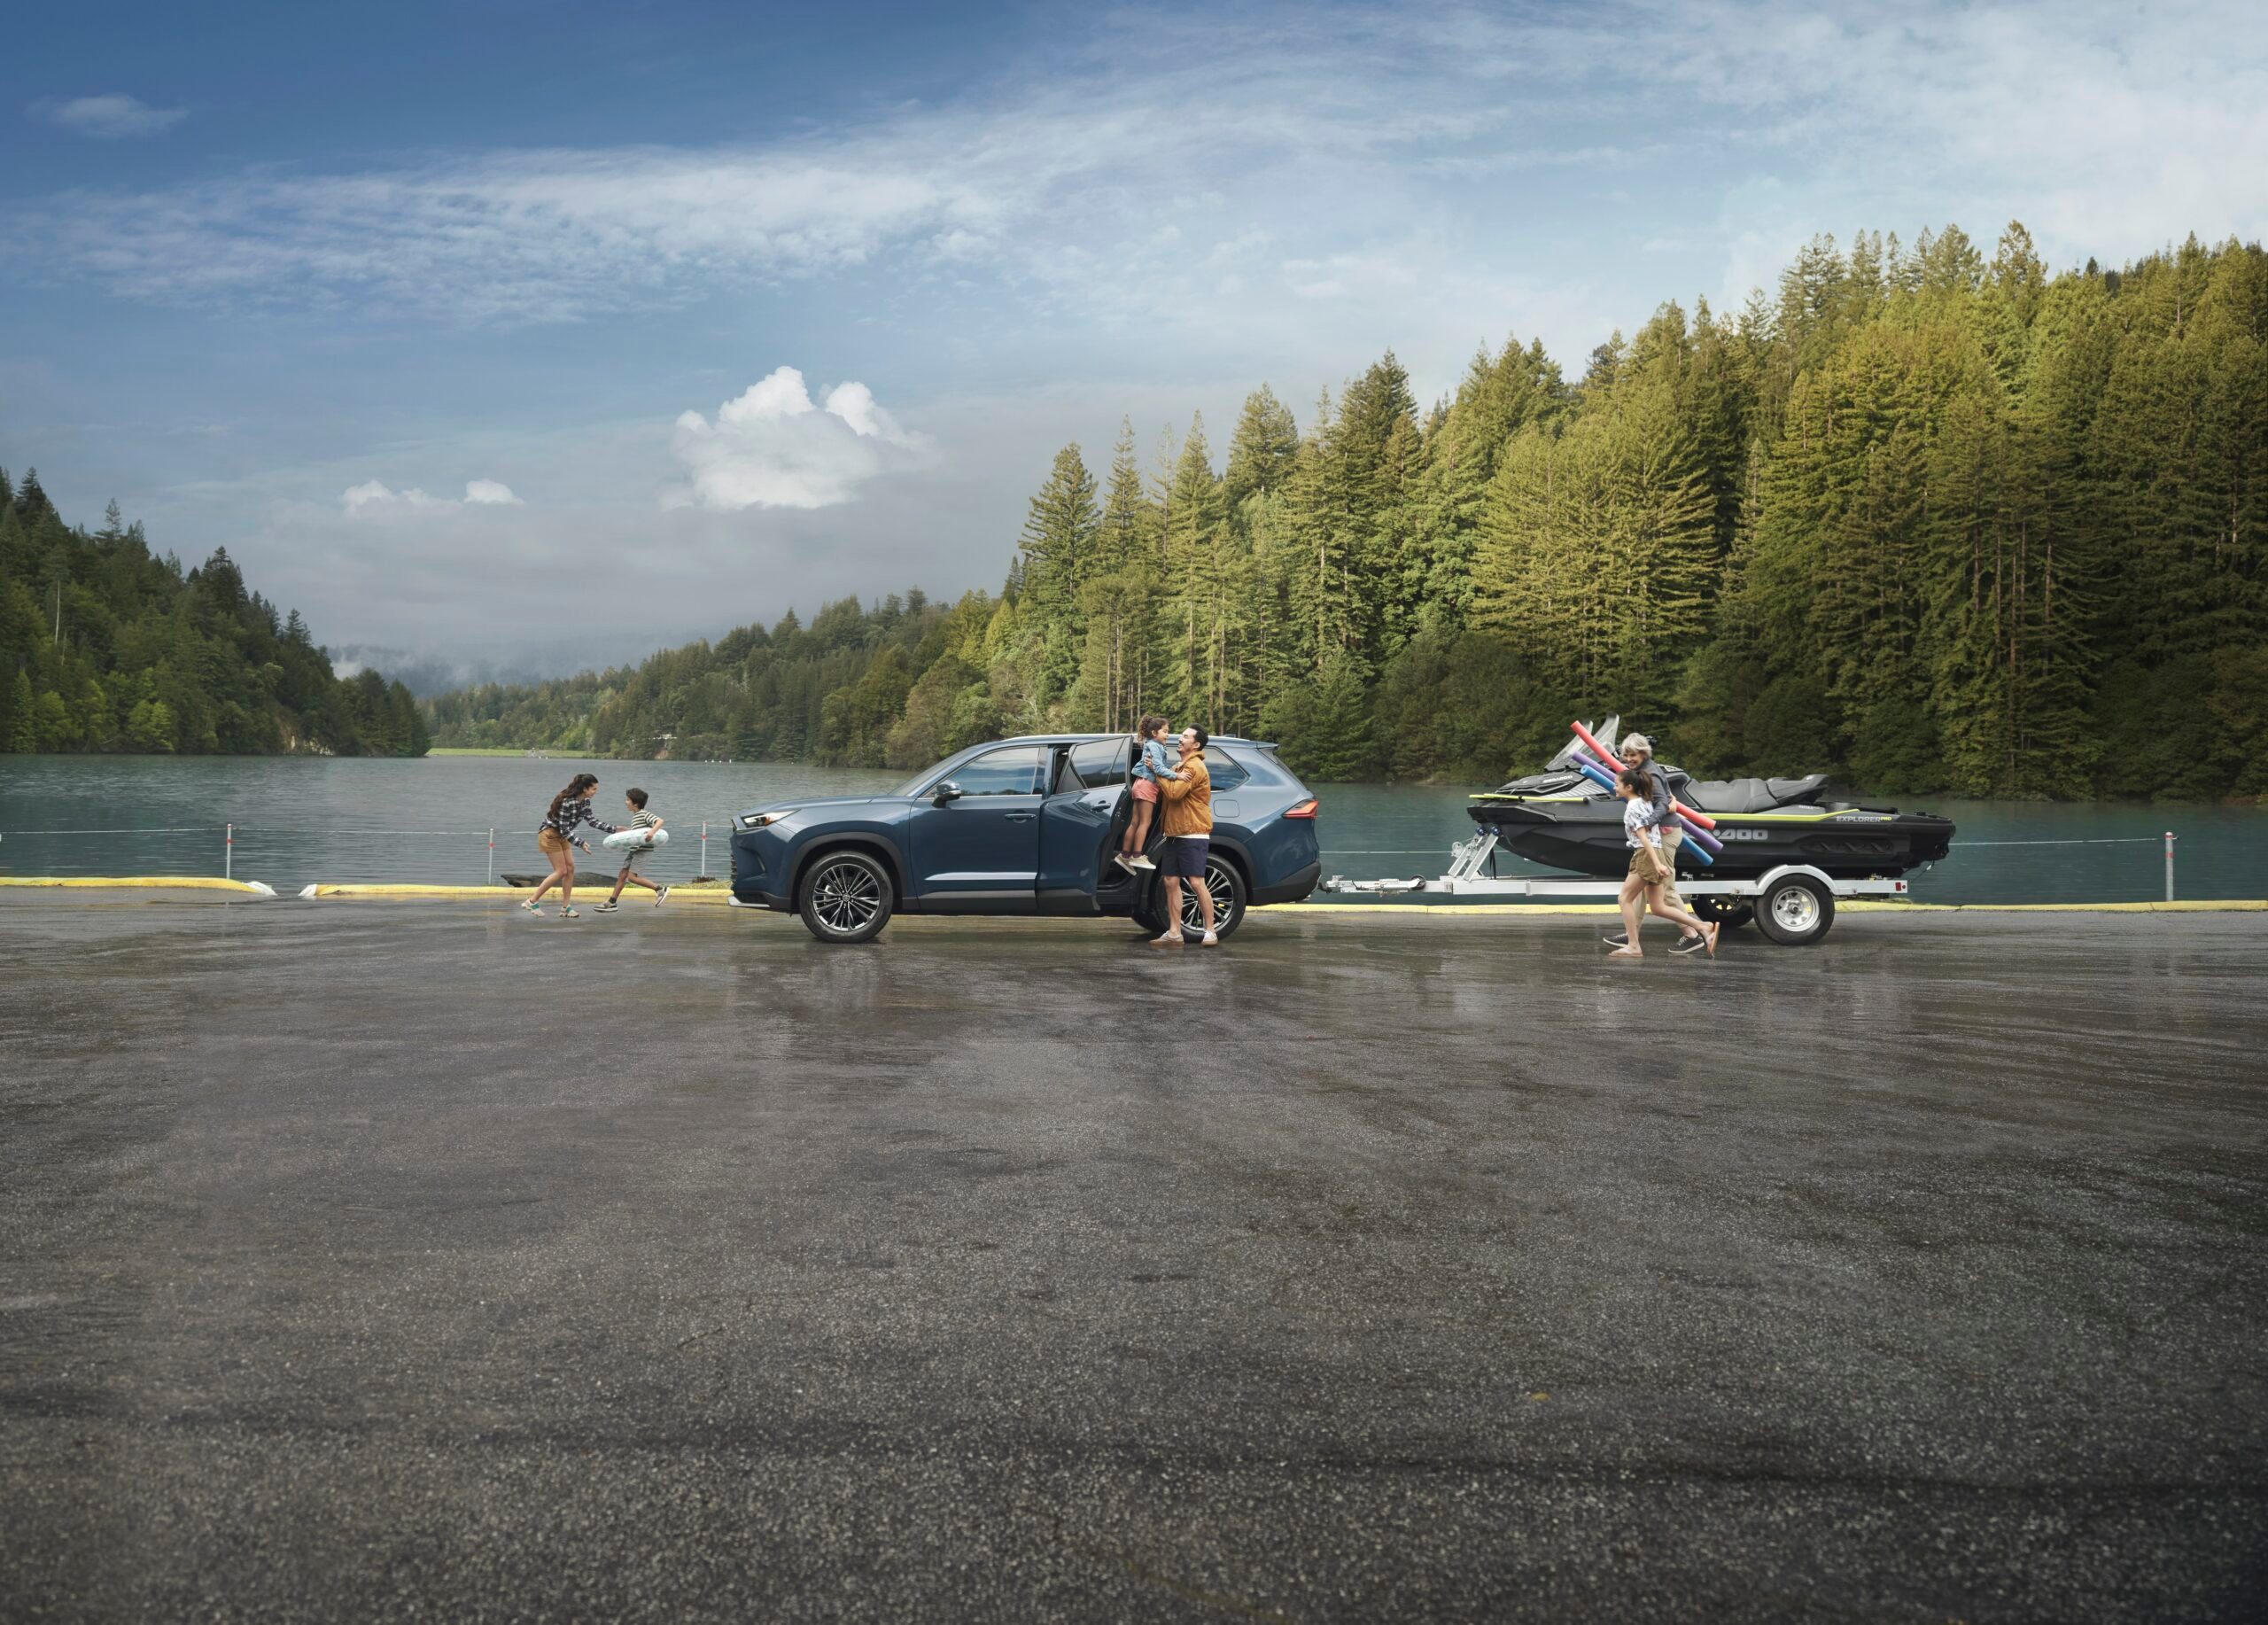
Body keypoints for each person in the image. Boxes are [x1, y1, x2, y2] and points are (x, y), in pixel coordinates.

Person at [1602, 731, 1707, 956]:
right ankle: (1632, 935)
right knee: (1639, 894)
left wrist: (1648, 823)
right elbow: (1660, 801)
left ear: (1644, 753)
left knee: (1666, 891)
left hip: (1663, 834)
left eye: (1632, 755)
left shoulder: (1651, 772)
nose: (1628, 759)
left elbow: (1662, 804)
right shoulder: (1639, 772)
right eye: (1625, 755)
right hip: (1654, 837)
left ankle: (1692, 933)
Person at [1152, 726, 1217, 946]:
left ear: (1196, 745)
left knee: (1197, 881)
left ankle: (1210, 931)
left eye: (1186, 736)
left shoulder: (1194, 766)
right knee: (1170, 881)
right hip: (1174, 832)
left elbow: (1174, 793)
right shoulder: (1178, 767)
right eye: (1182, 735)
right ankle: (1174, 932)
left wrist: (1157, 771)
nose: (1180, 738)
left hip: (1193, 832)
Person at [523, 772, 619, 919]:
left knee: (570, 868)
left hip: (562, 835)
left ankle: (566, 908)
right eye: (593, 789)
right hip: (550, 834)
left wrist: (615, 829)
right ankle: (532, 901)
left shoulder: (585, 802)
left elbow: (592, 821)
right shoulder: (567, 802)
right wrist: (581, 843)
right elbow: (564, 829)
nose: (595, 792)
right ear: (584, 789)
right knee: (561, 871)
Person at [594, 787, 672, 913]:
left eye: (628, 800)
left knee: (632, 877)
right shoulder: (636, 816)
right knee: (622, 875)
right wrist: (629, 832)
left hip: (643, 850)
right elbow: (638, 834)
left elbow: (659, 821)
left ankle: (660, 889)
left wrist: (652, 832)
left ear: (635, 803)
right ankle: (612, 902)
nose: (626, 802)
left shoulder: (643, 813)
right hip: (635, 850)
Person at [1115, 714, 1173, 873]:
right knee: (1145, 822)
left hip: (1140, 784)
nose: (1168, 735)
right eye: (1165, 731)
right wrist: (1177, 775)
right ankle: (1137, 855)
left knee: (1135, 822)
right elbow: (1159, 768)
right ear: (1155, 733)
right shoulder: (1156, 746)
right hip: (1148, 785)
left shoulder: (1150, 744)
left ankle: (1125, 855)